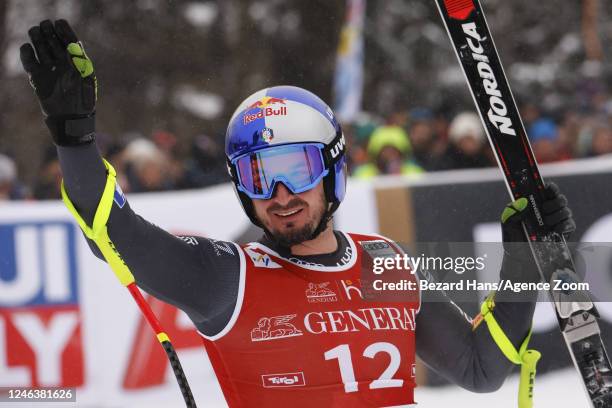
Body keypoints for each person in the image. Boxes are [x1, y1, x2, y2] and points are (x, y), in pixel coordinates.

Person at [21, 20, 576, 407]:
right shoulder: (225, 279)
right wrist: (74, 138)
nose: (280, 194)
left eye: (297, 169)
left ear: (332, 170)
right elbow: (113, 235)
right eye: (258, 176)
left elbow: (481, 370)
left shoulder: (386, 264)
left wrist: (526, 260)